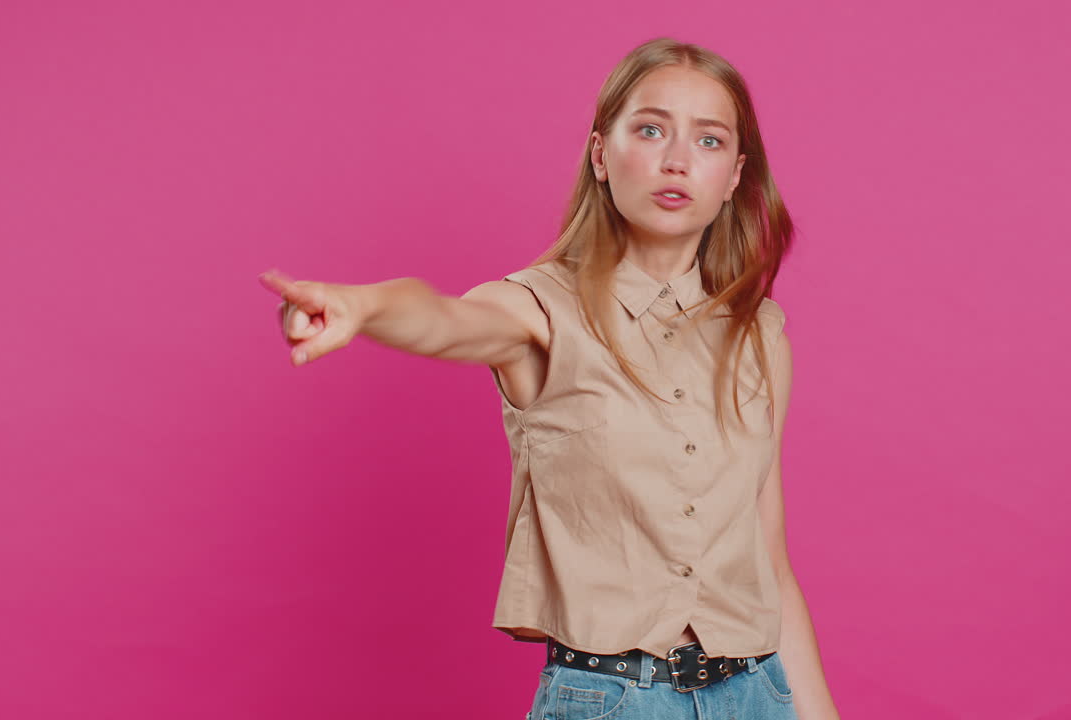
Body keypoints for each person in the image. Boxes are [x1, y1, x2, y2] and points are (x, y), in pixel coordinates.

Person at [258, 37, 840, 720]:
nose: (677, 160)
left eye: (708, 141)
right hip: (617, 699)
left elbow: (769, 559)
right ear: (601, 153)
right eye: (650, 130)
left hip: (760, 693)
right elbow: (442, 317)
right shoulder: (541, 310)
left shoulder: (758, 336)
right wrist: (363, 308)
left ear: (736, 175)